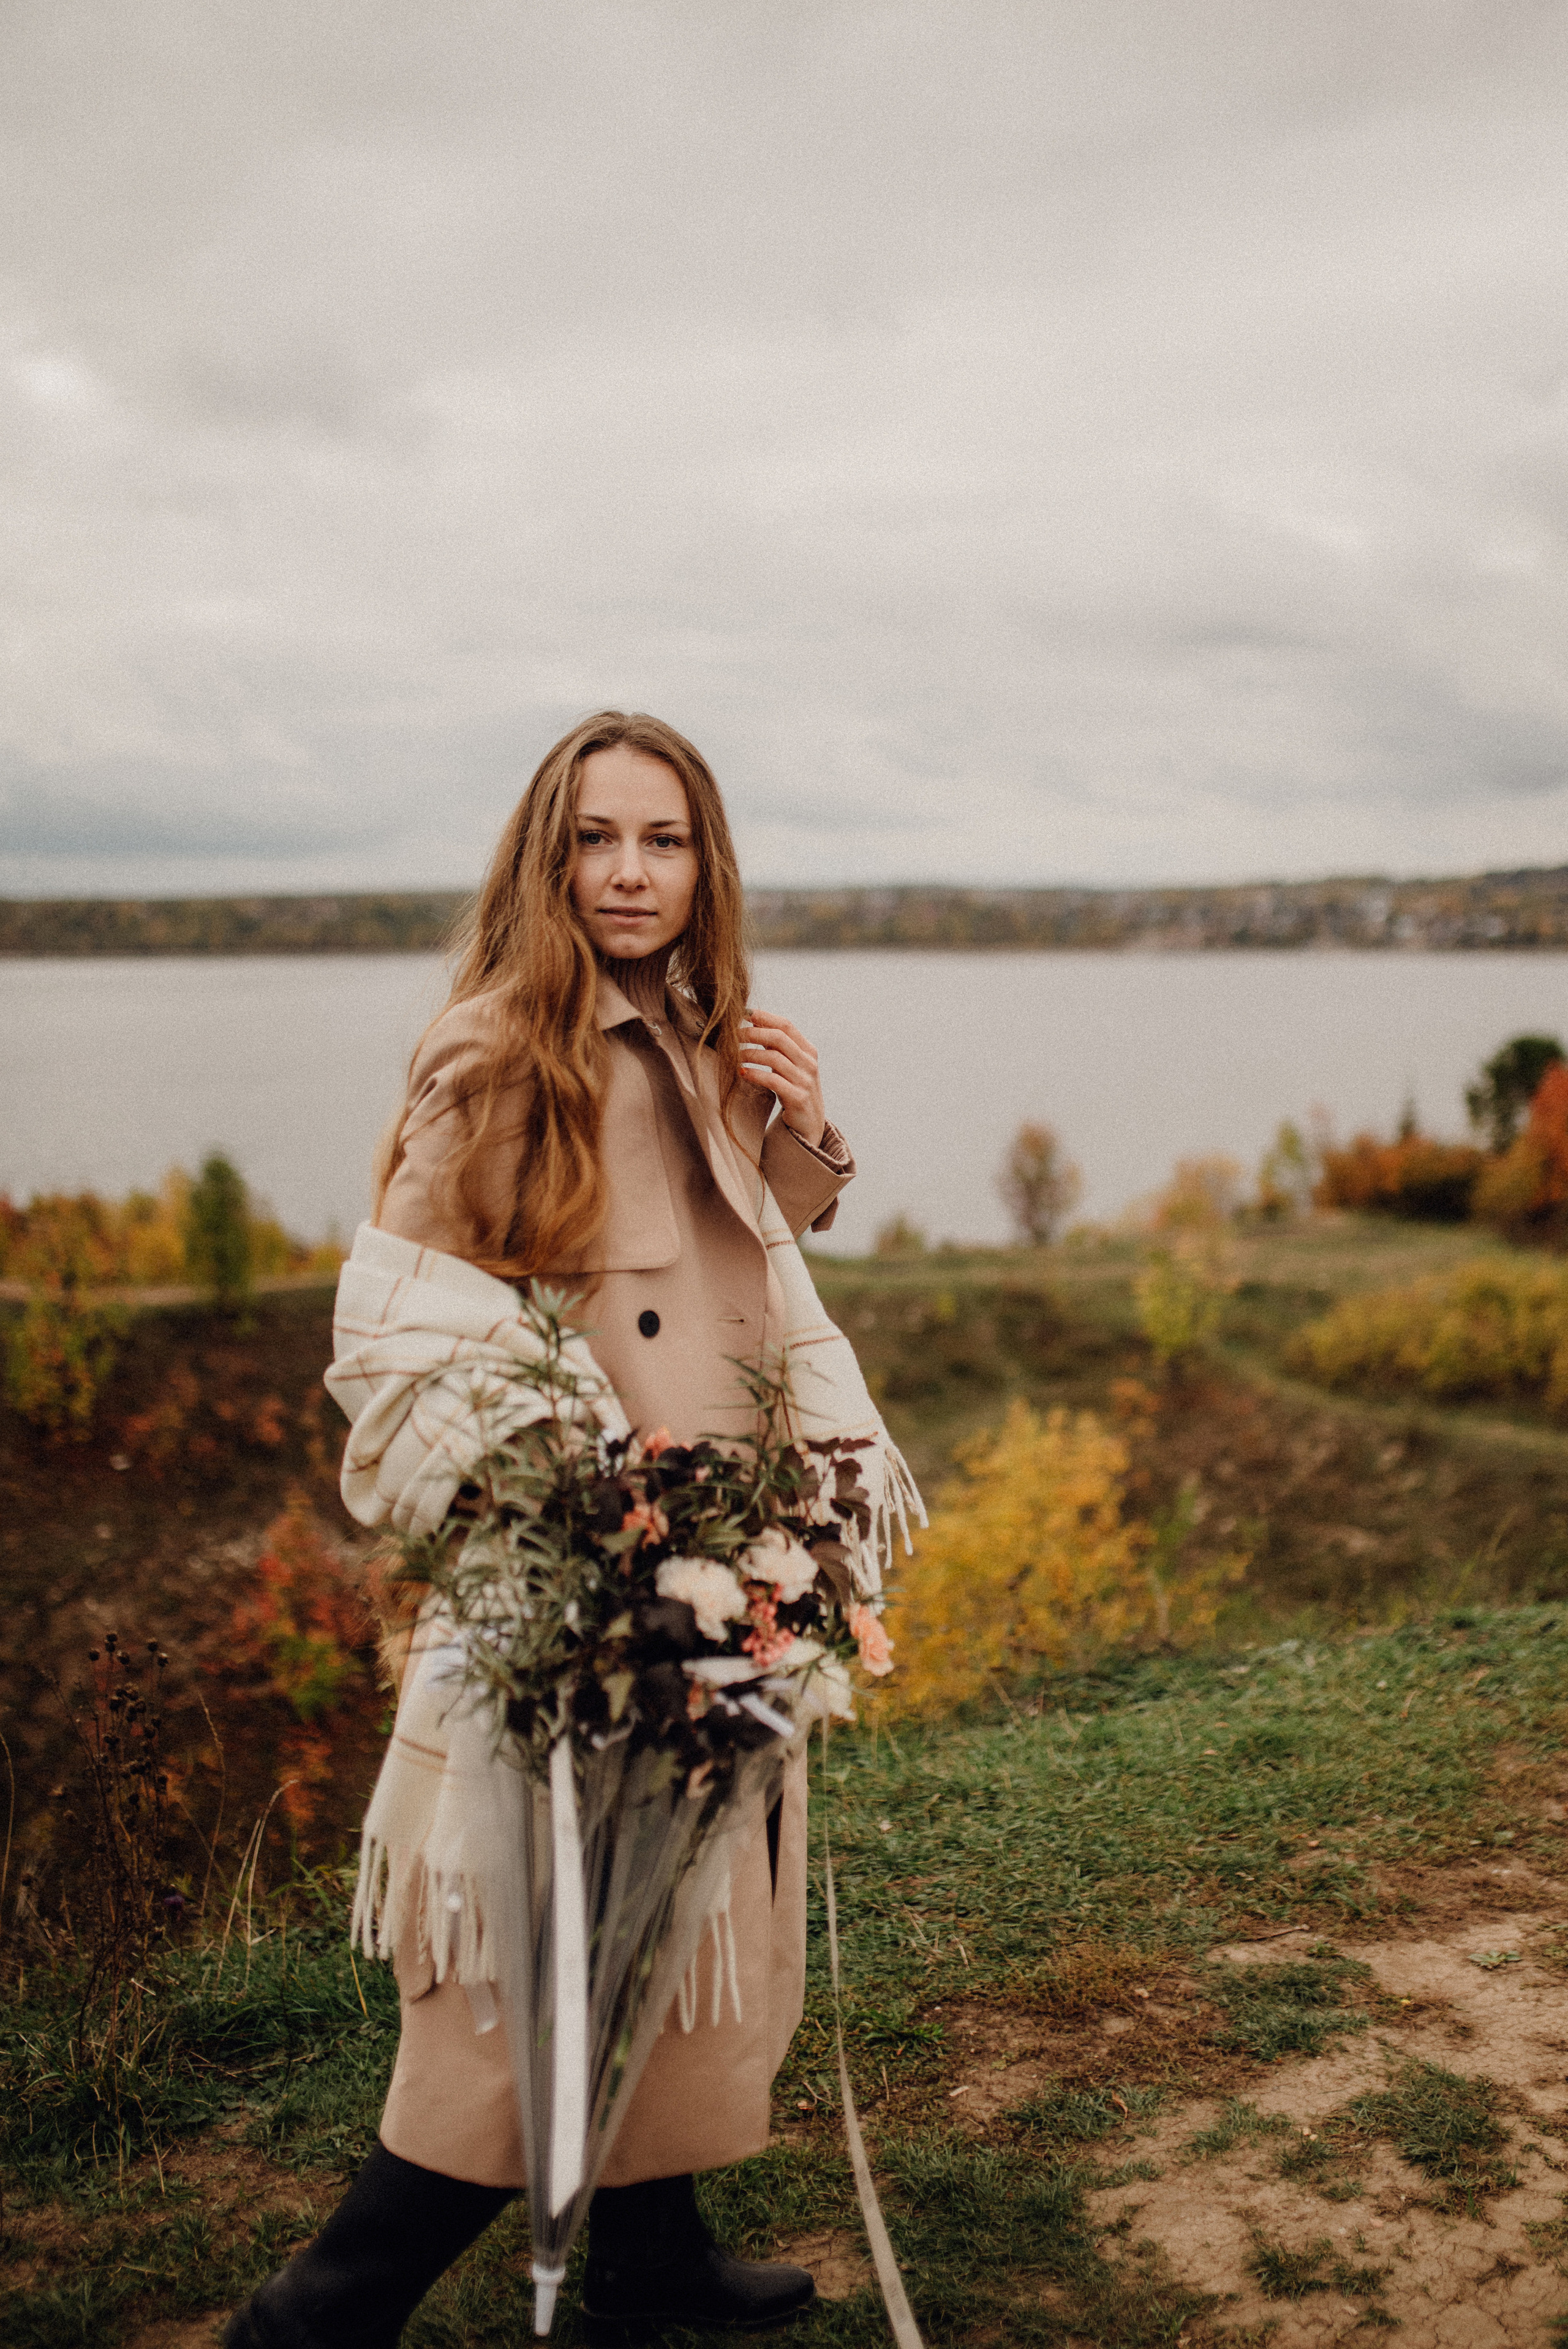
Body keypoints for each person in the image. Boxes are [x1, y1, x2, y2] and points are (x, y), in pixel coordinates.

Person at [227, 711, 857, 2347]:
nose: (630, 872)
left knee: (692, 1919)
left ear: (704, 863)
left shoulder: (703, 1031)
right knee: (528, 1977)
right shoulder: (503, 1051)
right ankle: (323, 2310)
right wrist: (589, 1521)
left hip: (728, 1561)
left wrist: (794, 1127)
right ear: (547, 857)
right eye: (596, 838)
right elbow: (408, 1326)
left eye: (664, 839)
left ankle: (646, 2268)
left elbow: (726, 1265)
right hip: (580, 1576)